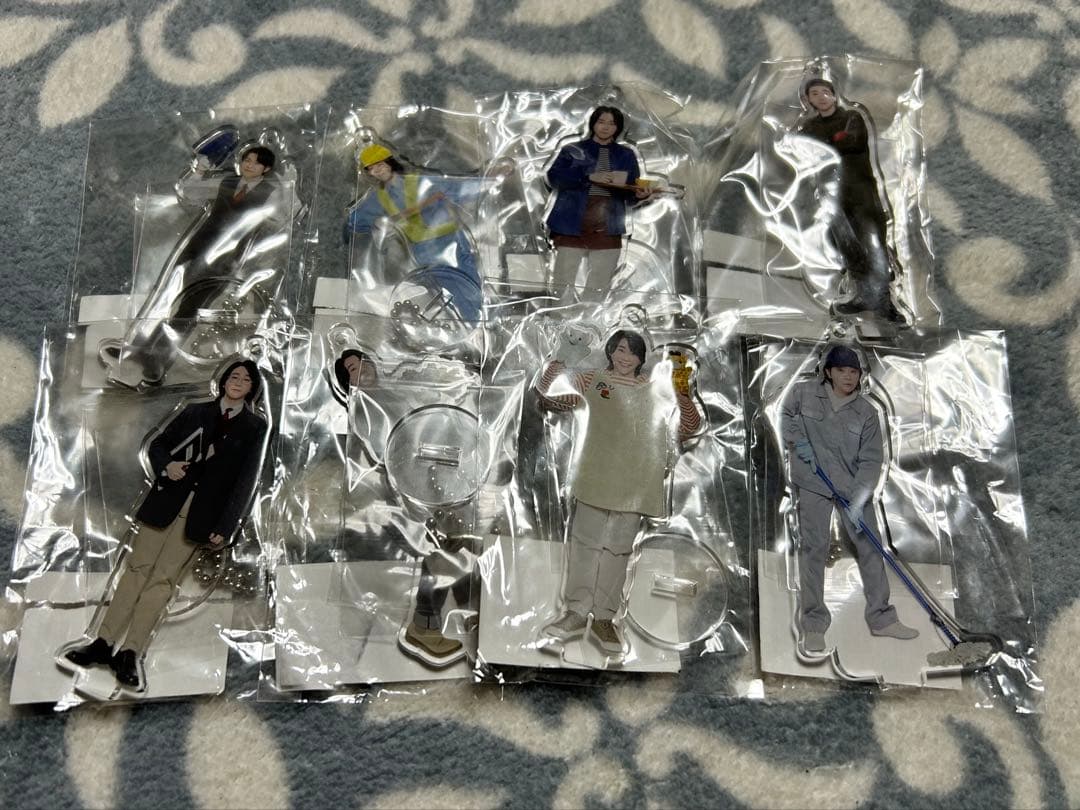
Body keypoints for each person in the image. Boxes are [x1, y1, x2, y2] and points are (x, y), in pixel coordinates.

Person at [60, 360, 269, 690]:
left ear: (252, 388)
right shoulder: (195, 411)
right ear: (224, 380)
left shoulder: (254, 427)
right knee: (136, 570)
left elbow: (245, 481)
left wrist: (226, 526)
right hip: (166, 501)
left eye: (246, 379)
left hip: (202, 515)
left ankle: (130, 651)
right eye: (234, 375)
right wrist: (167, 465)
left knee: (163, 581)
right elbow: (158, 444)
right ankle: (103, 642)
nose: (238, 381)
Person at [536, 327, 701, 655]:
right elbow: (549, 396)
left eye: (633, 352)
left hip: (635, 485)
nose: (626, 358)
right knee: (584, 546)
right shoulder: (591, 379)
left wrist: (683, 389)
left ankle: (604, 617)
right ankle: (575, 611)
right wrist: (562, 358)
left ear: (642, 357)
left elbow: (688, 427)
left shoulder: (656, 388)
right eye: (620, 350)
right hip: (595, 477)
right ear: (610, 351)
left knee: (618, 551)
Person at [108, 145, 289, 388]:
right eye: (247, 159)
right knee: (165, 296)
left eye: (256, 162)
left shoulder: (271, 192)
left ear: (266, 168)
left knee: (190, 308)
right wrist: (199, 171)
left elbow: (286, 216)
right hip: (197, 245)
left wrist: (289, 186)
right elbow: (191, 192)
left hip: (225, 259)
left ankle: (158, 359)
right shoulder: (226, 181)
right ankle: (136, 347)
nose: (249, 165)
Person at [780, 344, 918, 652]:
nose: (848, 376)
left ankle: (882, 618)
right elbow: (786, 416)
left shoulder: (867, 412)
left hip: (851, 486)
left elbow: (871, 460)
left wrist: (858, 499)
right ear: (828, 372)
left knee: (871, 547)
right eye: (841, 370)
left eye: (853, 371)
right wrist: (797, 441)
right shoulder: (803, 393)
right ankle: (814, 624)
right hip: (813, 482)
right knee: (814, 550)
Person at [344, 144, 492, 322]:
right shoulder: (379, 196)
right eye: (372, 169)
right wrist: (370, 223)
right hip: (423, 249)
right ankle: (474, 322)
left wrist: (490, 179)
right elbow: (355, 220)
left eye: (380, 165)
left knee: (472, 281)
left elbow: (457, 188)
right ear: (369, 173)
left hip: (450, 238)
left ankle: (485, 316)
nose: (378, 171)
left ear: (390, 163)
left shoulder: (418, 181)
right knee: (450, 290)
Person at [796, 77, 903, 322]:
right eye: (814, 93)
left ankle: (884, 301)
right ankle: (863, 295)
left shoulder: (851, 117)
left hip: (861, 191)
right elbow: (807, 150)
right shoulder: (810, 126)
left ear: (834, 94)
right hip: (832, 196)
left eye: (825, 91)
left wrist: (830, 143)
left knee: (872, 243)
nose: (821, 97)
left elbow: (852, 140)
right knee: (846, 246)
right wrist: (833, 141)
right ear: (808, 100)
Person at [545, 107, 654, 294]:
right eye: (601, 122)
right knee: (563, 280)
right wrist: (588, 177)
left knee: (600, 283)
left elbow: (629, 191)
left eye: (612, 124)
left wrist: (639, 195)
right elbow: (554, 178)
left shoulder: (626, 154)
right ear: (593, 123)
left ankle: (592, 313)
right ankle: (560, 311)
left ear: (618, 128)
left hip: (608, 224)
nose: (605, 127)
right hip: (572, 222)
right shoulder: (573, 150)